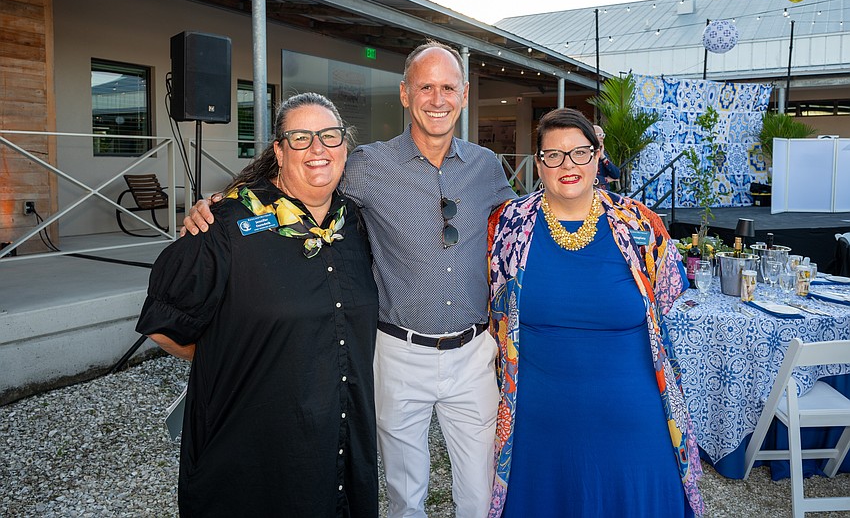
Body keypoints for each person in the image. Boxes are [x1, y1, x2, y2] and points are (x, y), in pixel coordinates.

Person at [182, 41, 516, 518]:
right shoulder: (366, 165)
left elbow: (521, 223)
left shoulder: (487, 166)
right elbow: (297, 176)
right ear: (405, 94)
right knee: (405, 496)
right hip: (399, 355)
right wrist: (223, 202)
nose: (437, 99)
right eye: (426, 87)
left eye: (448, 88)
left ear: (463, 95)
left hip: (472, 354)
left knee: (482, 494)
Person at [136, 93, 379, 516]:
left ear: (345, 147)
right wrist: (230, 358)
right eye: (301, 138)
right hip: (255, 459)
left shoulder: (355, 223)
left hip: (338, 446)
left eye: (329, 136)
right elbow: (163, 324)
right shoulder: (225, 224)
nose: (318, 149)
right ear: (279, 152)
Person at [487, 108, 704, 517]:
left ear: (597, 155)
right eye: (553, 155)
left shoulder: (639, 223)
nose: (568, 165)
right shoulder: (508, 225)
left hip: (632, 420)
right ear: (538, 163)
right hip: (538, 423)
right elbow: (492, 302)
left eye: (579, 153)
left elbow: (669, 296)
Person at [593, 124, 621, 191]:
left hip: (604, 195)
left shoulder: (604, 155)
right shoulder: (586, 153)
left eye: (603, 135)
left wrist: (602, 155)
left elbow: (616, 174)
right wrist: (606, 180)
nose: (602, 137)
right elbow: (588, 177)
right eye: (599, 135)